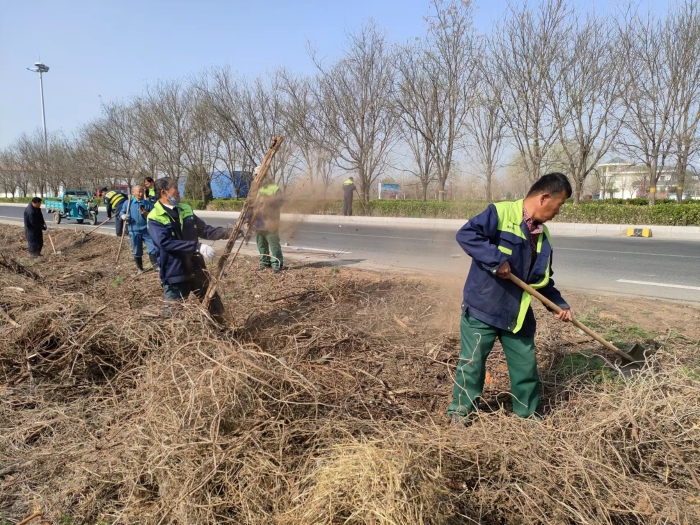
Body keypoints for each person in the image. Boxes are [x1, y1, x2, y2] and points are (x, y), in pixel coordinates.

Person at [447, 173, 574, 424]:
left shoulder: (544, 237)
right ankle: (460, 413)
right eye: (559, 204)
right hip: (483, 308)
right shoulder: (501, 213)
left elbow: (542, 280)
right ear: (544, 197)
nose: (559, 210)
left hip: (517, 314)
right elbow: (467, 235)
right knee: (471, 365)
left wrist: (558, 304)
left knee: (526, 367)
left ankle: (527, 416)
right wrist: (497, 261)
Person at [147, 177, 232, 323]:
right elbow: (166, 243)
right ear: (164, 192)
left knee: (215, 307)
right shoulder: (155, 217)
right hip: (175, 272)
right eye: (175, 188)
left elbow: (204, 230)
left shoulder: (185, 209)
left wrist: (228, 232)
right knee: (172, 315)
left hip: (196, 267)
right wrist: (197, 246)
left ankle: (223, 332)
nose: (179, 191)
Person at [245, 171, 285, 273]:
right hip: (258, 224)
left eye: (260, 176)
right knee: (261, 245)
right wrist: (247, 220)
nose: (257, 179)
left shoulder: (274, 189)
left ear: (266, 176)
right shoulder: (256, 190)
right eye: (256, 176)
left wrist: (267, 201)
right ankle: (264, 263)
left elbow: (279, 202)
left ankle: (277, 265)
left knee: (273, 244)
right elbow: (250, 207)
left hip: (271, 223)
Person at [118, 185, 158, 274]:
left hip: (147, 230)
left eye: (142, 191)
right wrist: (123, 216)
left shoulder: (148, 204)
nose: (141, 193)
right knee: (137, 250)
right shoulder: (128, 203)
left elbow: (155, 216)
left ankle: (155, 265)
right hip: (134, 231)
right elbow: (122, 212)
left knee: (152, 248)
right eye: (138, 192)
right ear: (133, 193)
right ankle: (140, 268)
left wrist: (146, 214)